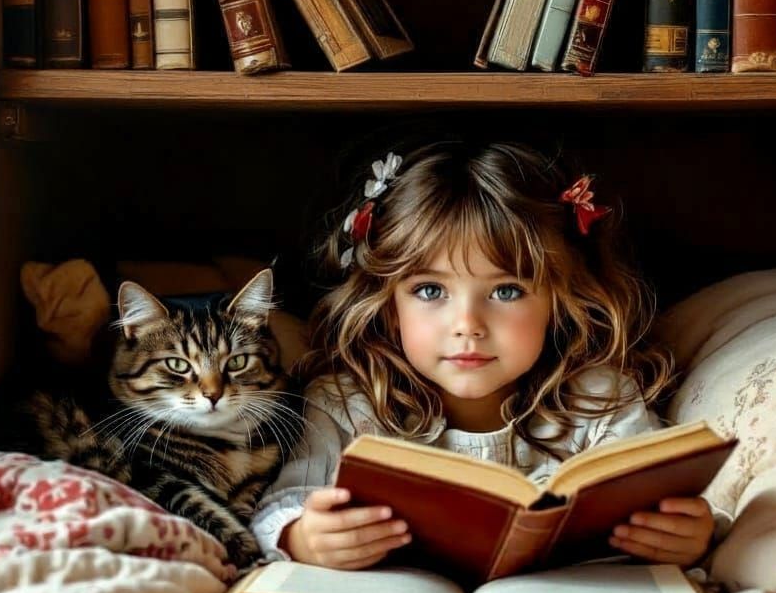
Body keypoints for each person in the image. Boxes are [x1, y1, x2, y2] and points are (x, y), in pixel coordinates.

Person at [252, 141, 715, 569]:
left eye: (507, 290)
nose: (468, 324)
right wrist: (304, 537)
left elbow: (666, 504)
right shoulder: (344, 404)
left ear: (559, 301)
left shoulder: (599, 400)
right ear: (389, 305)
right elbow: (282, 502)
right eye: (430, 290)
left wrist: (689, 535)